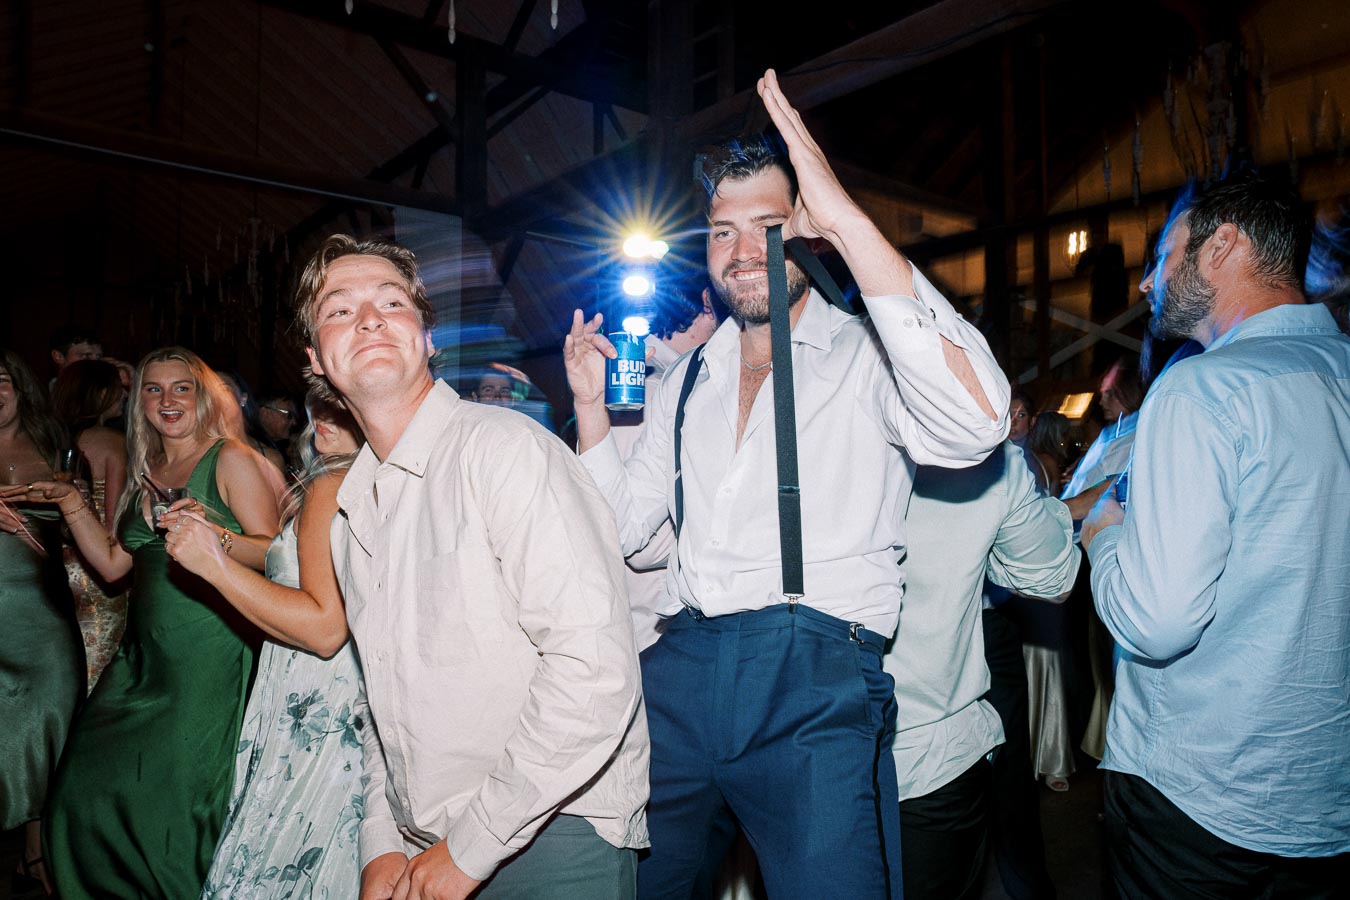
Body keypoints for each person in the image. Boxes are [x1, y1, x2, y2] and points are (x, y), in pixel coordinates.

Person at [565, 70, 1008, 898]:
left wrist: (845, 221)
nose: (741, 252)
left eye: (767, 226)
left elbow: (978, 423)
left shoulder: (868, 355)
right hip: (683, 669)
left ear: (805, 233)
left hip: (816, 683)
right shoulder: (686, 377)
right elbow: (621, 531)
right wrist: (592, 414)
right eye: (722, 232)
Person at [298, 234, 649, 900]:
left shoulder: (504, 451)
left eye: (391, 302)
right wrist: (380, 844)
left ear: (428, 339)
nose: (368, 318)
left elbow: (595, 669)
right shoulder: (351, 515)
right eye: (339, 310)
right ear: (318, 360)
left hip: (553, 834)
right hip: (429, 849)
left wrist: (473, 845)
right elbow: (384, 705)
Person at [1082, 175, 1350, 897]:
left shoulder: (1202, 389)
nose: (1145, 283)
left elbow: (1158, 621)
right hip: (1326, 802)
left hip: (1200, 798)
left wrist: (1106, 536)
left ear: (1221, 246)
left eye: (1165, 256)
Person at [12, 347, 284, 899]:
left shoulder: (228, 458)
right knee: (81, 789)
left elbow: (275, 553)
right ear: (140, 403)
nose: (167, 400)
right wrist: (69, 501)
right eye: (154, 389)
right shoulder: (146, 474)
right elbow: (115, 565)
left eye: (181, 387)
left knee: (177, 806)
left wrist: (217, 537)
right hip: (140, 658)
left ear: (202, 396)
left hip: (206, 655)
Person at [166, 384, 366, 898]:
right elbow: (289, 563)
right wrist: (219, 536)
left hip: (317, 699)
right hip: (324, 693)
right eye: (317, 399)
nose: (322, 412)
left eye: (340, 401)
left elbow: (325, 629)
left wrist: (212, 565)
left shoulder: (334, 485)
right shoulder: (354, 478)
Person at [890, 441, 1080, 899]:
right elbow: (1053, 579)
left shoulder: (800, 423)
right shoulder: (986, 456)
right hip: (930, 745)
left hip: (805, 738)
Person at [0, 349, 84, 897]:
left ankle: (38, 854)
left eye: (1, 381)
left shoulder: (55, 441)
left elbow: (86, 523)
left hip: (43, 618)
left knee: (48, 733)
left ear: (19, 387)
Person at [611, 283, 719, 651]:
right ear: (708, 300)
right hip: (648, 636)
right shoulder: (653, 391)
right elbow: (635, 546)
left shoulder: (653, 384)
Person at [51, 358, 130, 690]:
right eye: (118, 391)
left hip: (52, 569)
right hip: (96, 574)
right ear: (100, 394)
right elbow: (115, 528)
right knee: (96, 679)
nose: (124, 397)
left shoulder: (47, 440)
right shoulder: (113, 442)